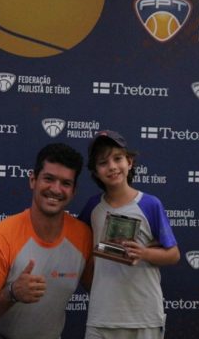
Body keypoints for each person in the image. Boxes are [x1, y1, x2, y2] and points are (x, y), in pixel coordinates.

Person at [0, 143, 93, 339]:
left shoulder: (83, 237)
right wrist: (12, 293)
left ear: (73, 191)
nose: (56, 189)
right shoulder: (3, 235)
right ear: (33, 180)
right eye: (49, 179)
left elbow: (101, 291)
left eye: (65, 183)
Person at [78, 130, 180, 339]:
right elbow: (79, 250)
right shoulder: (93, 207)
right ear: (95, 171)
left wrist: (143, 253)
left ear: (130, 162)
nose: (112, 167)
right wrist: (96, 288)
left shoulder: (150, 204)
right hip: (101, 317)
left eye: (118, 158)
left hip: (144, 316)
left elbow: (173, 255)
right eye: (103, 162)